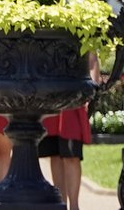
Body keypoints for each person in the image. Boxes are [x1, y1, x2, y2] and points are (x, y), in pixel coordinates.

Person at [36, 61, 95, 208]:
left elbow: (92, 59)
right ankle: (61, 204)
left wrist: (91, 91)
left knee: (71, 156)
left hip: (73, 95)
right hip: (50, 94)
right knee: (55, 155)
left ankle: (74, 206)